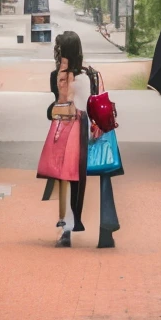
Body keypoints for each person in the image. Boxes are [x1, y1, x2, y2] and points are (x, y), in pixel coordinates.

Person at [39, 31, 120, 248]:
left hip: (67, 130)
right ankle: (106, 231)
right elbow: (102, 103)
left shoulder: (57, 75)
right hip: (94, 131)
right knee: (104, 175)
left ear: (63, 51)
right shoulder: (92, 75)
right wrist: (98, 125)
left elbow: (55, 108)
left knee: (66, 178)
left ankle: (65, 229)